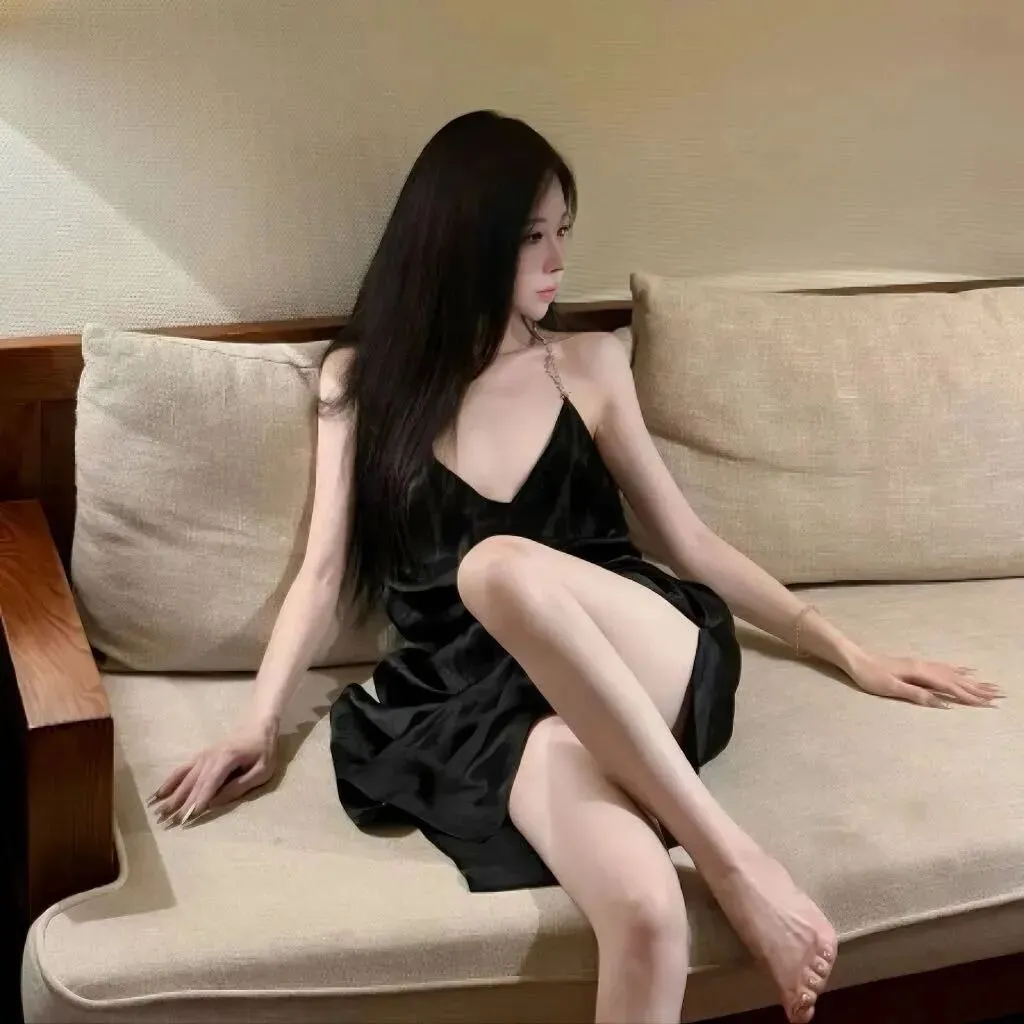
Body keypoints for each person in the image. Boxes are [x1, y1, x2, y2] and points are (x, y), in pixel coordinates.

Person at [150, 110, 1001, 1024]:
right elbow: (321, 574)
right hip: (486, 701)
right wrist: (257, 722)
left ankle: (736, 862)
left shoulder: (588, 364)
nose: (559, 258)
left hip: (637, 643)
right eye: (532, 237)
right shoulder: (361, 382)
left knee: (497, 568)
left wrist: (846, 648)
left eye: (564, 230)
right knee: (644, 914)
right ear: (463, 240)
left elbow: (688, 542)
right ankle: (709, 867)